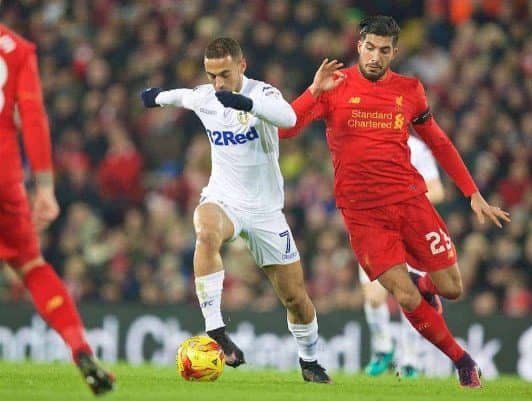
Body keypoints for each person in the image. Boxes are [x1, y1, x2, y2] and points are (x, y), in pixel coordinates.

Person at [279, 16, 510, 388]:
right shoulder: (334, 86)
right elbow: (285, 130)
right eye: (369, 47)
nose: (375, 56)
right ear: (358, 46)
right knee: (402, 294)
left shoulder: (410, 90)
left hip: (410, 202)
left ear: (394, 52)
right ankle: (463, 361)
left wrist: (473, 193)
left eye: (384, 50)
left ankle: (423, 291)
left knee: (452, 288)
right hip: (363, 215)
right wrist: (313, 91)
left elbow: (438, 142)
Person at [140, 37, 330, 383]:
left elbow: (288, 118)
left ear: (242, 66)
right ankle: (217, 329)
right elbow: (181, 96)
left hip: (266, 211)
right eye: (211, 75)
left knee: (295, 298)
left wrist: (245, 103)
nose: (218, 83)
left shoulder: (264, 94)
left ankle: (310, 362)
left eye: (224, 74)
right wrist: (154, 97)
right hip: (224, 199)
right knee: (206, 229)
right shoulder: (206, 97)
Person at [0, 24, 114, 395]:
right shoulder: (17, 49)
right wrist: (45, 188)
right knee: (31, 266)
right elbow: (32, 117)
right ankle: (79, 347)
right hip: (5, 176)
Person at [361, 135, 444, 378]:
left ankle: (410, 359)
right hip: (372, 229)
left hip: (408, 233)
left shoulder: (416, 149)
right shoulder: (366, 144)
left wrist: (403, 204)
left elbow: (437, 191)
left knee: (409, 295)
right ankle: (383, 348)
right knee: (373, 296)